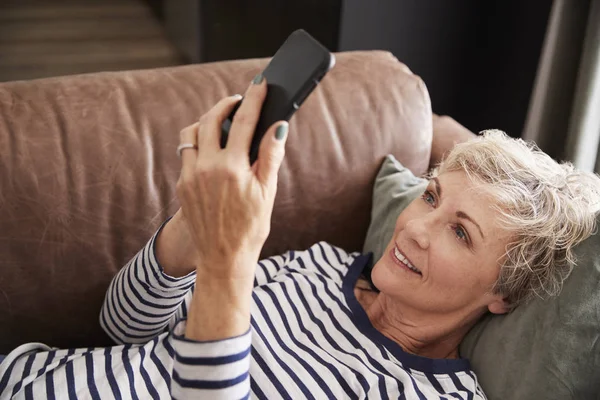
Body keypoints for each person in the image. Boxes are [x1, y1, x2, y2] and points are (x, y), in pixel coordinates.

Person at [1, 75, 600, 399]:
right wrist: (193, 227)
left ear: (504, 292)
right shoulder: (321, 267)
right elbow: (122, 328)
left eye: (461, 234)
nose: (415, 227)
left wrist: (229, 261)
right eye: (432, 195)